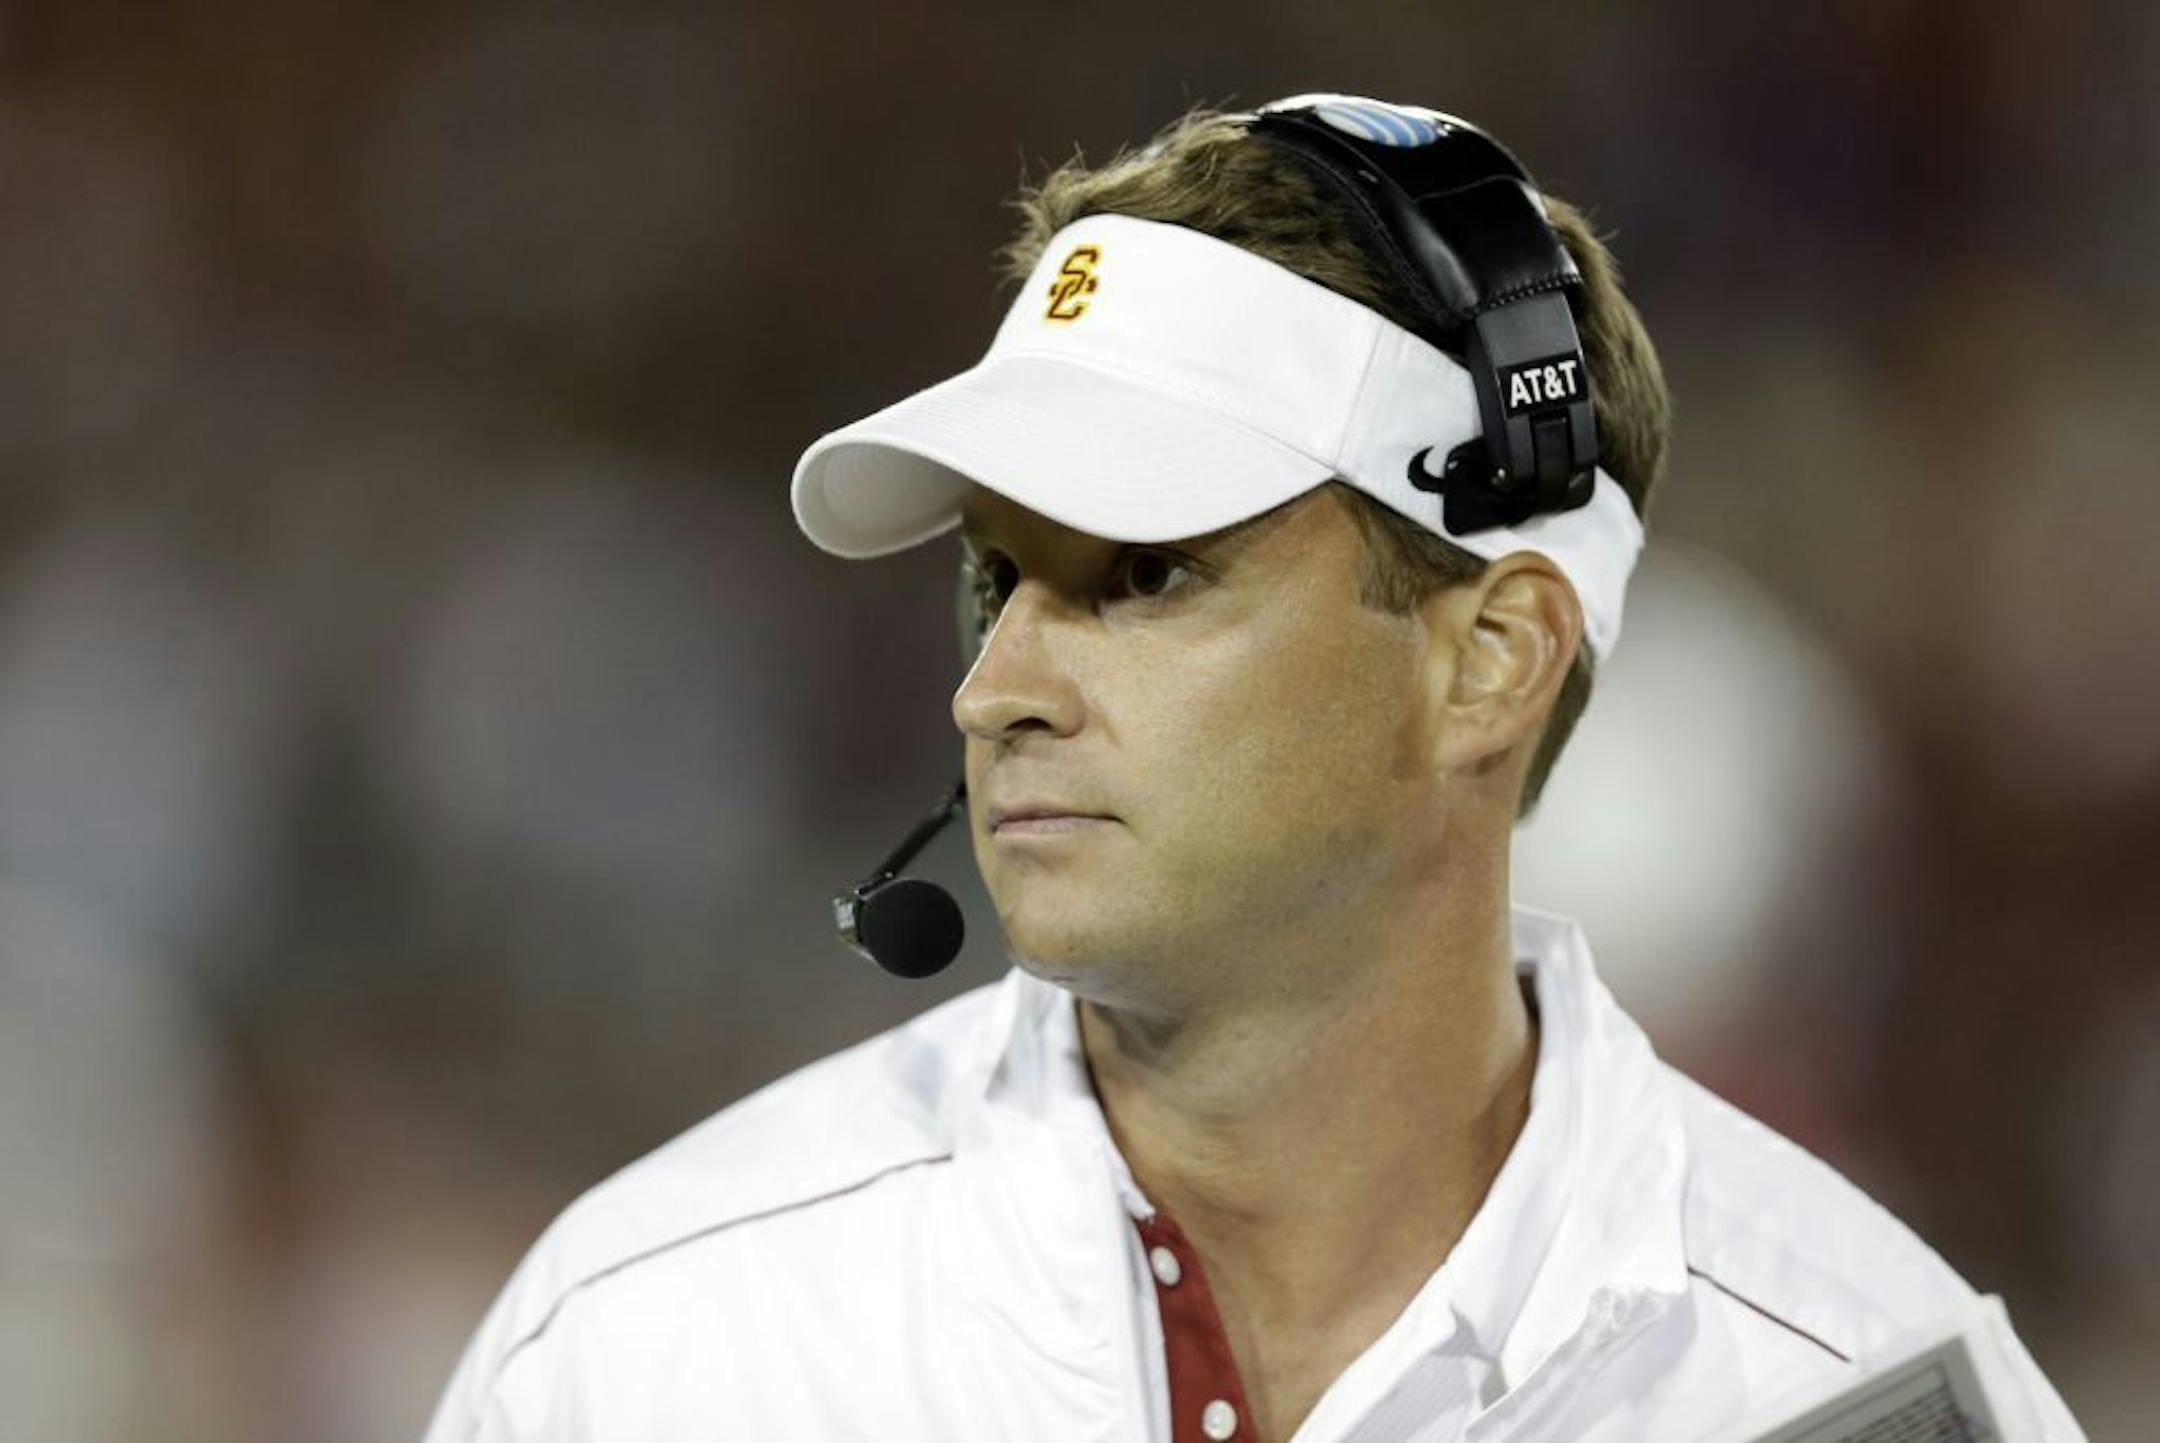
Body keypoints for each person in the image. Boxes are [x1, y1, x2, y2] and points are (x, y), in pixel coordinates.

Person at [423, 94, 2086, 1442]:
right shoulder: (650, 1344)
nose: (995, 692)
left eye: (1147, 573)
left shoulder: (1837, 1383)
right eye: (998, 578)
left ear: (1492, 659)